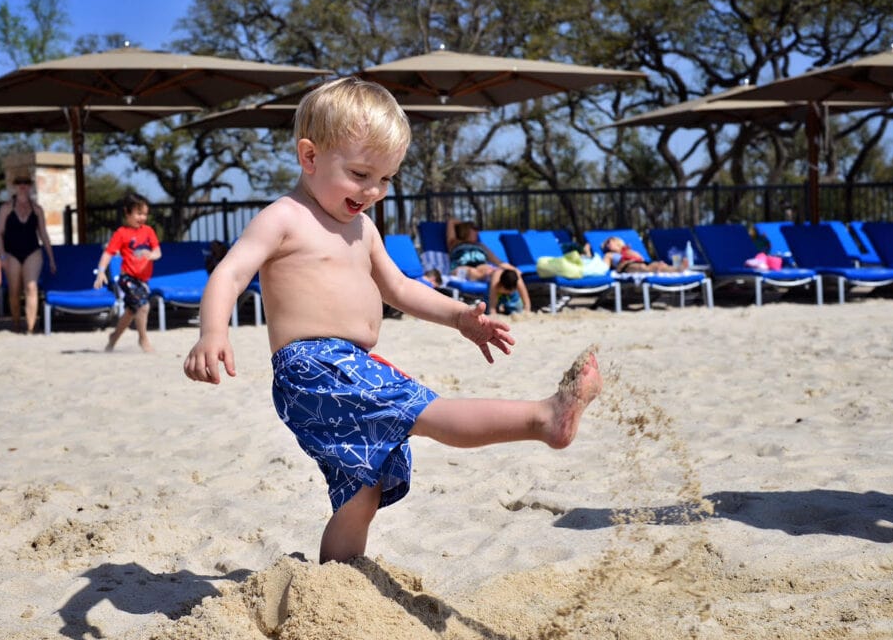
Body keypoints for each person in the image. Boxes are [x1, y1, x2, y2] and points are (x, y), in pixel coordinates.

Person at [183, 77, 602, 564]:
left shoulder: (362, 226)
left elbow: (400, 289)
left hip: (350, 362)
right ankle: (544, 419)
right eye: (361, 173)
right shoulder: (285, 217)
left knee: (365, 488)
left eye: (385, 179)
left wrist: (460, 319)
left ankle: (335, 581)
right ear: (310, 157)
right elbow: (230, 273)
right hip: (314, 365)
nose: (373, 190)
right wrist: (213, 331)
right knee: (424, 413)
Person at [93, 192, 161, 353]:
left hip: (143, 281)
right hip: (127, 278)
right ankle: (143, 339)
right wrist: (101, 272)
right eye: (138, 213)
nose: (142, 217)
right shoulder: (121, 233)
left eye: (145, 214)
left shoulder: (149, 231)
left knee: (131, 311)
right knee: (143, 306)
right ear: (127, 213)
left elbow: (158, 252)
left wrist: (151, 255)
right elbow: (108, 253)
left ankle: (114, 337)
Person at [0, 175, 57, 333]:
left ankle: (30, 328)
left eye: (26, 182)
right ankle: (16, 322)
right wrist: (2, 255)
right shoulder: (6, 207)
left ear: (30, 185)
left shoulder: (37, 209)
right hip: (12, 253)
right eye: (19, 182)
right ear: (14, 185)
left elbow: (43, 234)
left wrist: (51, 259)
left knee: (31, 287)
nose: (22, 185)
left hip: (33, 251)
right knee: (14, 290)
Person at [445, 219, 514, 282]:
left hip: (481, 267)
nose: (477, 232)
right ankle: (486, 278)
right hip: (459, 269)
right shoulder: (454, 243)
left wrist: (513, 270)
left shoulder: (481, 246)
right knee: (472, 271)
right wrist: (465, 224)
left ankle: (488, 277)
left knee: (490, 269)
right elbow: (451, 222)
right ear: (465, 230)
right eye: (474, 229)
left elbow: (498, 262)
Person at [601, 236, 688, 273]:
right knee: (642, 267)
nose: (609, 244)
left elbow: (640, 258)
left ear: (618, 242)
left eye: (610, 242)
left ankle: (677, 269)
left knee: (658, 264)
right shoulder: (609, 255)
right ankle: (655, 269)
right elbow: (603, 269)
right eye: (607, 244)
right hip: (625, 266)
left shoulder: (627, 250)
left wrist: (630, 253)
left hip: (638, 262)